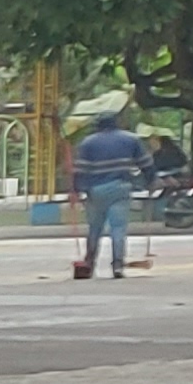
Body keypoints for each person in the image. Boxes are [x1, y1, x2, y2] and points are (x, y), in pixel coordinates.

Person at [70, 106, 150, 279]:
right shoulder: (131, 139)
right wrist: (151, 181)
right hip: (120, 188)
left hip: (96, 191)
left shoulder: (88, 143)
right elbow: (145, 163)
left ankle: (89, 263)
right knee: (118, 228)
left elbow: (80, 169)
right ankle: (118, 265)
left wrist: (76, 189)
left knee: (95, 228)